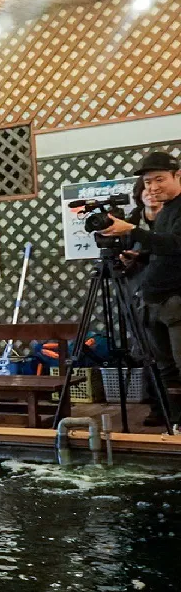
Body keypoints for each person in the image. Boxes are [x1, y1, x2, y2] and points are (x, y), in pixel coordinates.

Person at [100, 151, 181, 423]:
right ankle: (171, 418)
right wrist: (141, 255)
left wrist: (131, 231)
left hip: (175, 300)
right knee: (164, 366)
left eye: (159, 179)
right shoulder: (167, 209)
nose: (153, 187)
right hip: (154, 297)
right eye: (147, 182)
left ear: (177, 175)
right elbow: (164, 249)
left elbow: (176, 245)